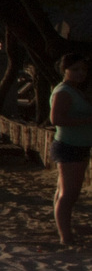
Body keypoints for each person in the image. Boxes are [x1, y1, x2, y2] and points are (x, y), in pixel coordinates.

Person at [52, 54, 92, 246]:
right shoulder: (64, 91)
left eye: (83, 70)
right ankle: (65, 237)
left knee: (64, 192)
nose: (80, 74)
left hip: (77, 145)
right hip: (70, 146)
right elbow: (56, 119)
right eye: (75, 69)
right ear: (65, 70)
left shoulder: (74, 90)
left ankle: (64, 231)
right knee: (69, 194)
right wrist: (86, 121)